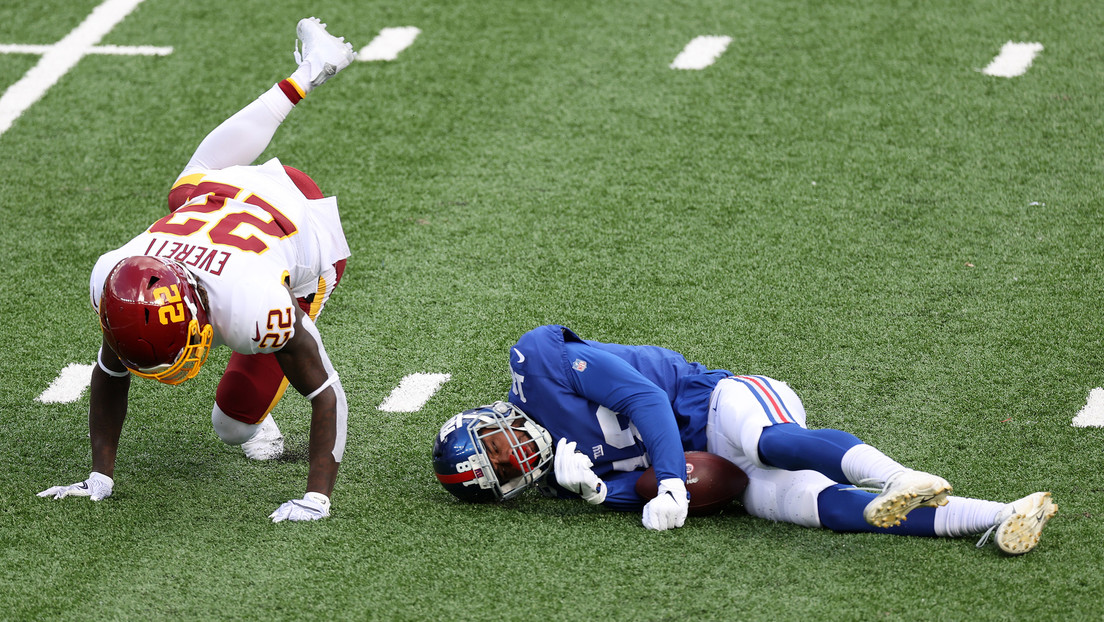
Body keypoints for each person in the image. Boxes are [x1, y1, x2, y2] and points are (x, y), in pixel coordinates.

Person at [38, 18, 357, 523]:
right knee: (184, 188)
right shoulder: (117, 280)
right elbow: (111, 365)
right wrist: (100, 475)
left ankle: (311, 70)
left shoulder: (254, 307)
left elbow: (325, 390)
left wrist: (316, 497)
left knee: (233, 424)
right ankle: (306, 73)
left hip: (302, 228)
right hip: (222, 198)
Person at [433, 324, 1058, 554]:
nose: (511, 455)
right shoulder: (562, 478)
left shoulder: (536, 361)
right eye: (501, 469)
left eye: (492, 445)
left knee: (765, 442)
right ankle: (1000, 517)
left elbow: (645, 399)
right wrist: (601, 495)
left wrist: (672, 481)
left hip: (723, 404)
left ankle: (894, 473)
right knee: (822, 511)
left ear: (486, 419)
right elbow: (637, 490)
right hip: (711, 465)